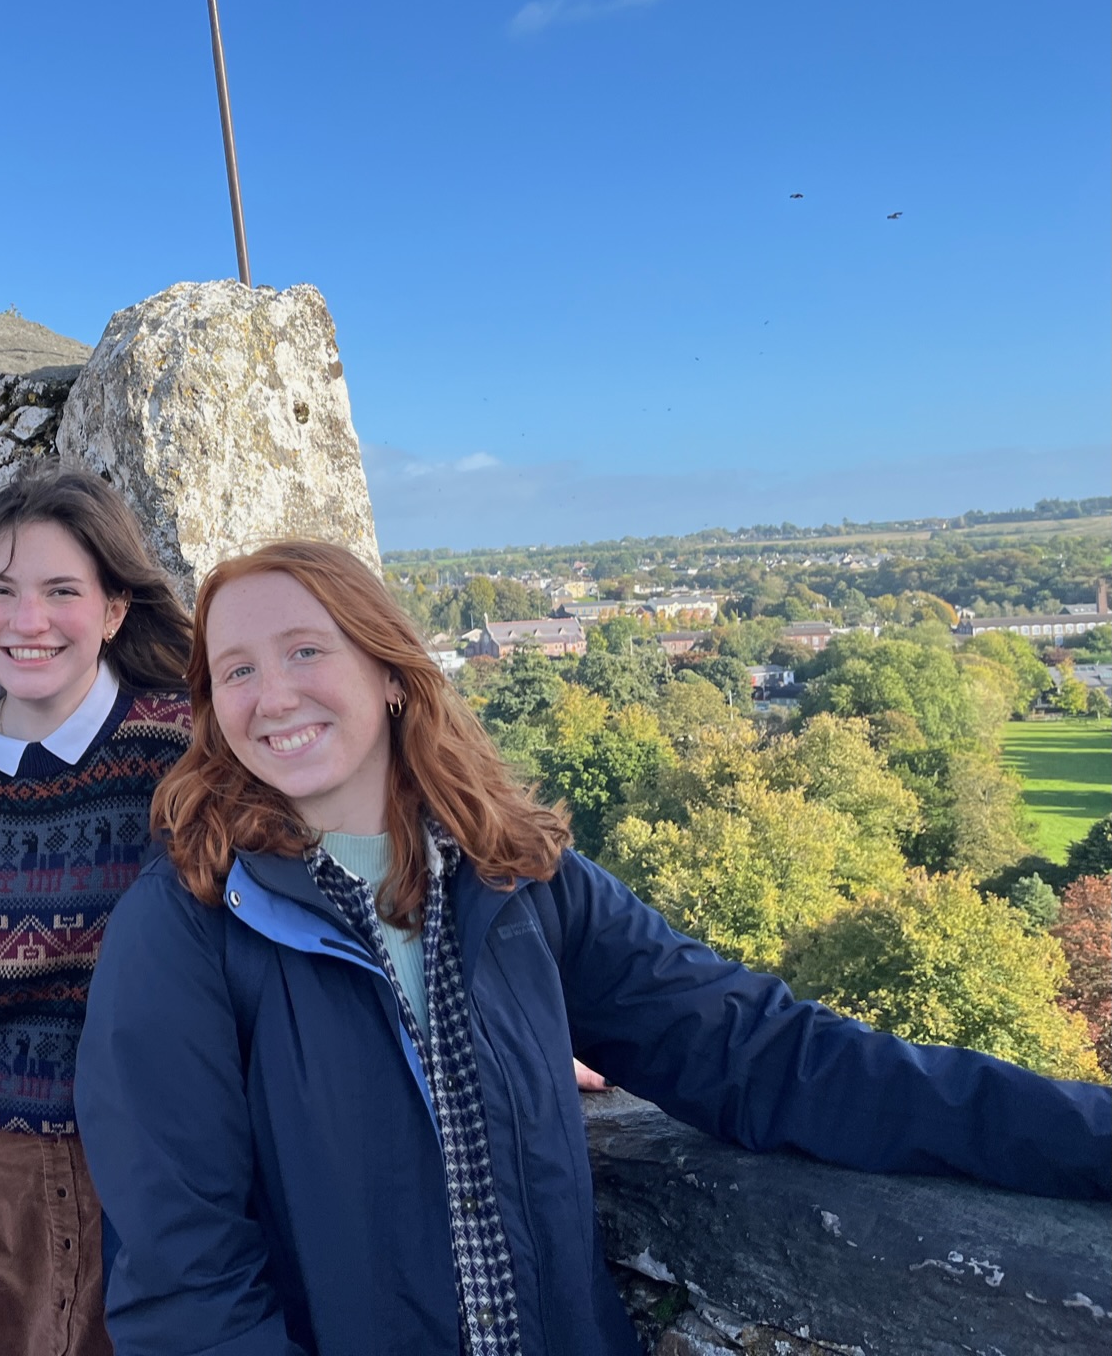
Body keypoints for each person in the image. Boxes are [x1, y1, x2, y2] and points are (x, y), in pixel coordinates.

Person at [74, 540, 1112, 1356]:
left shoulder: (519, 885)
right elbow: (186, 1285)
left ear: (389, 673)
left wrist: (1082, 1133)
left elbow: (765, 1054)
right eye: (237, 670)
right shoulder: (188, 931)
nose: (274, 694)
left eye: (308, 650)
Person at [0, 463, 194, 1356]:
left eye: (61, 591)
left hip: (141, 1166)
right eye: (2, 591)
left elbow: (301, 894)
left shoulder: (180, 749)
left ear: (115, 609)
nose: (27, 622)